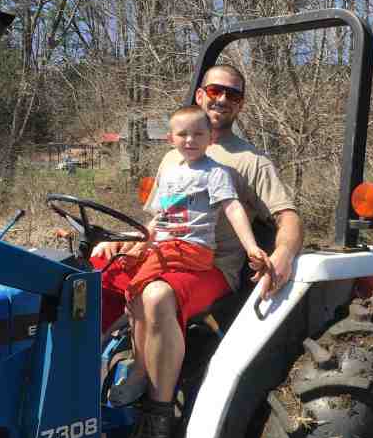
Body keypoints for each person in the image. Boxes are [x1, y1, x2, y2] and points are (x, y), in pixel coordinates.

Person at [94, 64, 304, 438]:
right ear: (200, 93)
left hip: (212, 265)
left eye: (233, 94)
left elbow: (288, 216)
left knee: (155, 296)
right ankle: (83, 389)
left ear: (240, 103)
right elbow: (158, 218)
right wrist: (124, 244)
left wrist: (281, 254)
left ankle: (156, 423)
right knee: (89, 277)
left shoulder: (249, 161)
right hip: (164, 251)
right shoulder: (174, 154)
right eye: (215, 90)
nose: (222, 99)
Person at [95, 105, 272, 412]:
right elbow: (161, 219)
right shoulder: (172, 174)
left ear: (210, 137)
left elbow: (232, 209)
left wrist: (251, 247)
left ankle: (140, 373)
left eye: (198, 134)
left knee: (138, 291)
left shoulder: (215, 172)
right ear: (170, 138)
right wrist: (137, 243)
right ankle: (95, 354)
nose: (191, 140)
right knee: (111, 275)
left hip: (190, 249)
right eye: (183, 134)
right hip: (164, 246)